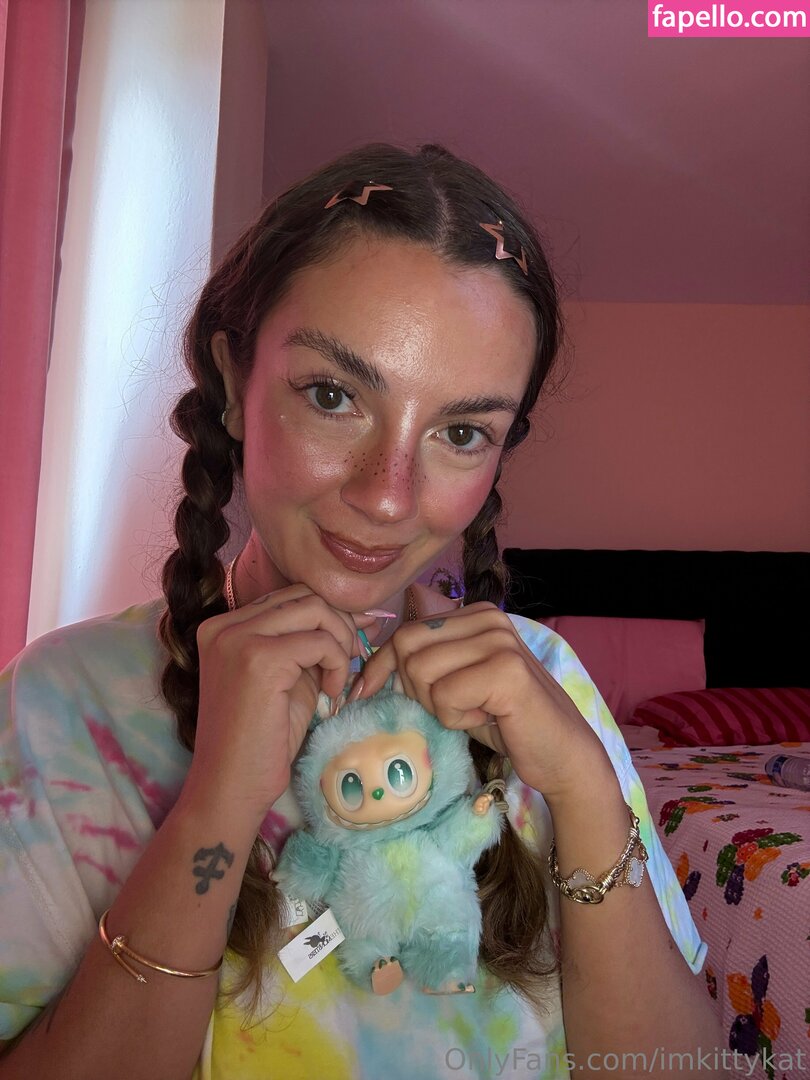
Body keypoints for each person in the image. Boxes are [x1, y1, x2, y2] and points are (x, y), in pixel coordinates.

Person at [0, 143, 725, 1079]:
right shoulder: (61, 709)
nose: (388, 496)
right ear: (233, 383)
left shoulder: (547, 683)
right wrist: (215, 804)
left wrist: (584, 792)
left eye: (461, 432)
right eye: (333, 395)